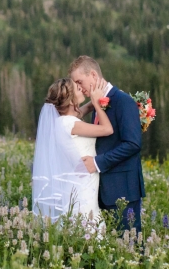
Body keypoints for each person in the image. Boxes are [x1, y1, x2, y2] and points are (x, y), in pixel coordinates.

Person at [69, 55, 145, 234]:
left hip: (123, 190)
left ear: (93, 75)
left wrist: (96, 163)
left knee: (131, 247)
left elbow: (133, 144)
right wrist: (90, 105)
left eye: (80, 81)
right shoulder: (97, 102)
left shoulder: (123, 101)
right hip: (102, 192)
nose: (79, 88)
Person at [32, 77, 113, 226]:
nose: (81, 88)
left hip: (77, 185)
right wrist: (97, 103)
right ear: (70, 101)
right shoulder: (70, 124)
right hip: (84, 189)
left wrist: (98, 97)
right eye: (77, 88)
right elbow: (107, 129)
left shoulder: (60, 121)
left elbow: (82, 111)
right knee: (89, 229)